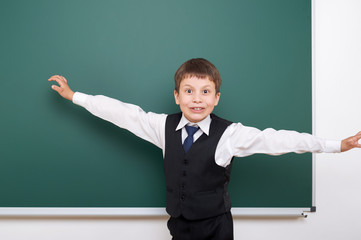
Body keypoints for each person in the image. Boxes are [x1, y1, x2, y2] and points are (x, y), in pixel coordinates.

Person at [48, 58, 361, 240]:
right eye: (189, 91)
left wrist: (336, 145)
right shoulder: (162, 127)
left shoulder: (230, 134)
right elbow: (123, 114)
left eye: (205, 92)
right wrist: (76, 96)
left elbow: (279, 140)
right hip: (179, 226)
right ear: (176, 96)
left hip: (216, 228)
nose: (197, 99)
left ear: (216, 99)